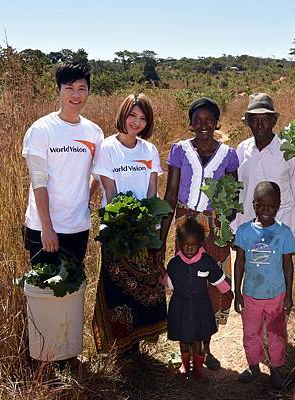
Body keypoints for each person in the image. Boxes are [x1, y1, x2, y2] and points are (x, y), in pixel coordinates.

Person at [161, 97, 239, 370]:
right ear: (190, 123)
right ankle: (187, 345)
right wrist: (162, 234)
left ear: (217, 123)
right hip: (186, 223)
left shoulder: (228, 155)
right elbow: (170, 193)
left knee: (212, 283)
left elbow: (231, 195)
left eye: (209, 120)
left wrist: (226, 224)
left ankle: (205, 346)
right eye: (198, 120)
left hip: (214, 225)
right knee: (187, 284)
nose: (203, 125)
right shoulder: (179, 151)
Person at [91, 94, 167, 355]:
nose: (137, 122)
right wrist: (124, 223)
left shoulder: (149, 150)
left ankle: (138, 341)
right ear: (123, 115)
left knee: (144, 284)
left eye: (143, 118)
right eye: (132, 115)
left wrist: (150, 226)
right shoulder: (107, 148)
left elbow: (151, 191)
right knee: (117, 286)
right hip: (117, 229)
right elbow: (110, 193)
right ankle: (119, 345)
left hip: (144, 229)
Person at [22, 62, 103, 267]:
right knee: (44, 291)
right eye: (69, 88)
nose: (75, 95)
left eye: (81, 89)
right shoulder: (41, 129)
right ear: (58, 90)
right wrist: (47, 228)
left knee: (71, 290)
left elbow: (98, 172)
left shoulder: (94, 132)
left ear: (88, 92)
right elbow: (38, 181)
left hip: (77, 226)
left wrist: (85, 199)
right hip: (43, 228)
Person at [233, 181, 295, 389]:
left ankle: (276, 368)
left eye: (271, 206)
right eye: (261, 205)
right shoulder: (244, 231)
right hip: (251, 294)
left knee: (277, 333)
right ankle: (253, 367)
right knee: (251, 333)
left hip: (276, 295)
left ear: (278, 205)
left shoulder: (284, 232)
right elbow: (239, 262)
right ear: (254, 205)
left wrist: (288, 294)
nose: (266, 210)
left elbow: (288, 265)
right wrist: (237, 292)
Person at [162, 217, 232, 381]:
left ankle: (199, 368)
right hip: (181, 306)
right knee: (184, 338)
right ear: (179, 243)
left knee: (199, 338)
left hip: (201, 306)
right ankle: (185, 365)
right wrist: (162, 275)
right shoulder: (175, 263)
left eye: (193, 245)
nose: (189, 248)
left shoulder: (206, 261)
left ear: (200, 243)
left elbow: (217, 278)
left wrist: (227, 292)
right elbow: (170, 284)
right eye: (186, 244)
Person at [232, 93, 295, 239]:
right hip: (248, 228)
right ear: (249, 122)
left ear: (274, 121)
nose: (260, 125)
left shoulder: (288, 150)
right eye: (254, 120)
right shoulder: (242, 149)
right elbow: (238, 193)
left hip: (281, 228)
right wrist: (234, 229)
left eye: (265, 119)